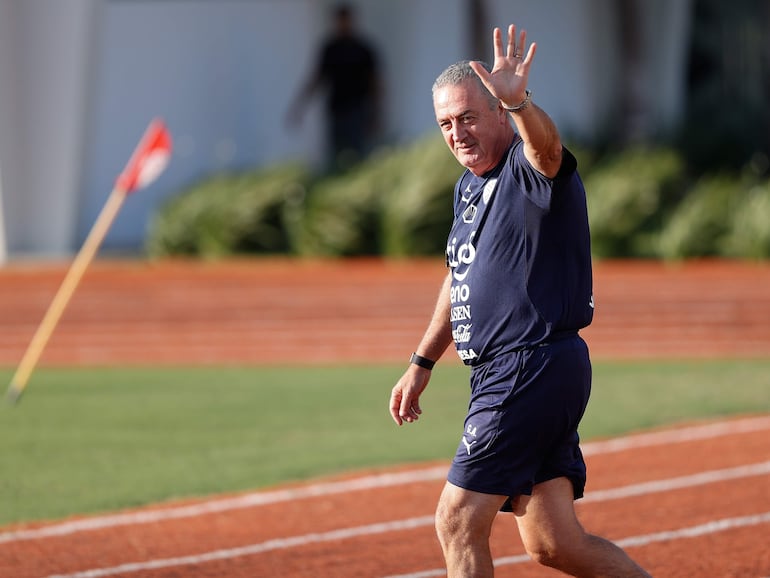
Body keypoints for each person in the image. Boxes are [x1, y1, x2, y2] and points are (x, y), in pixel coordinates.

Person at [388, 24, 651, 578]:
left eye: (467, 117)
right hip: (520, 372)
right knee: (556, 545)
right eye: (445, 123)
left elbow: (548, 147)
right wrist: (422, 362)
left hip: (526, 365)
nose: (456, 133)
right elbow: (460, 277)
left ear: (497, 114)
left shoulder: (527, 168)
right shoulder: (468, 186)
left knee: (457, 520)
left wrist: (521, 101)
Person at [287, 3, 381, 172]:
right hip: (336, 109)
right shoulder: (331, 49)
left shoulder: (362, 50)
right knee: (336, 155)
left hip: (357, 109)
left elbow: (376, 83)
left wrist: (376, 113)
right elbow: (317, 78)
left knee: (358, 156)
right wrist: (299, 107)